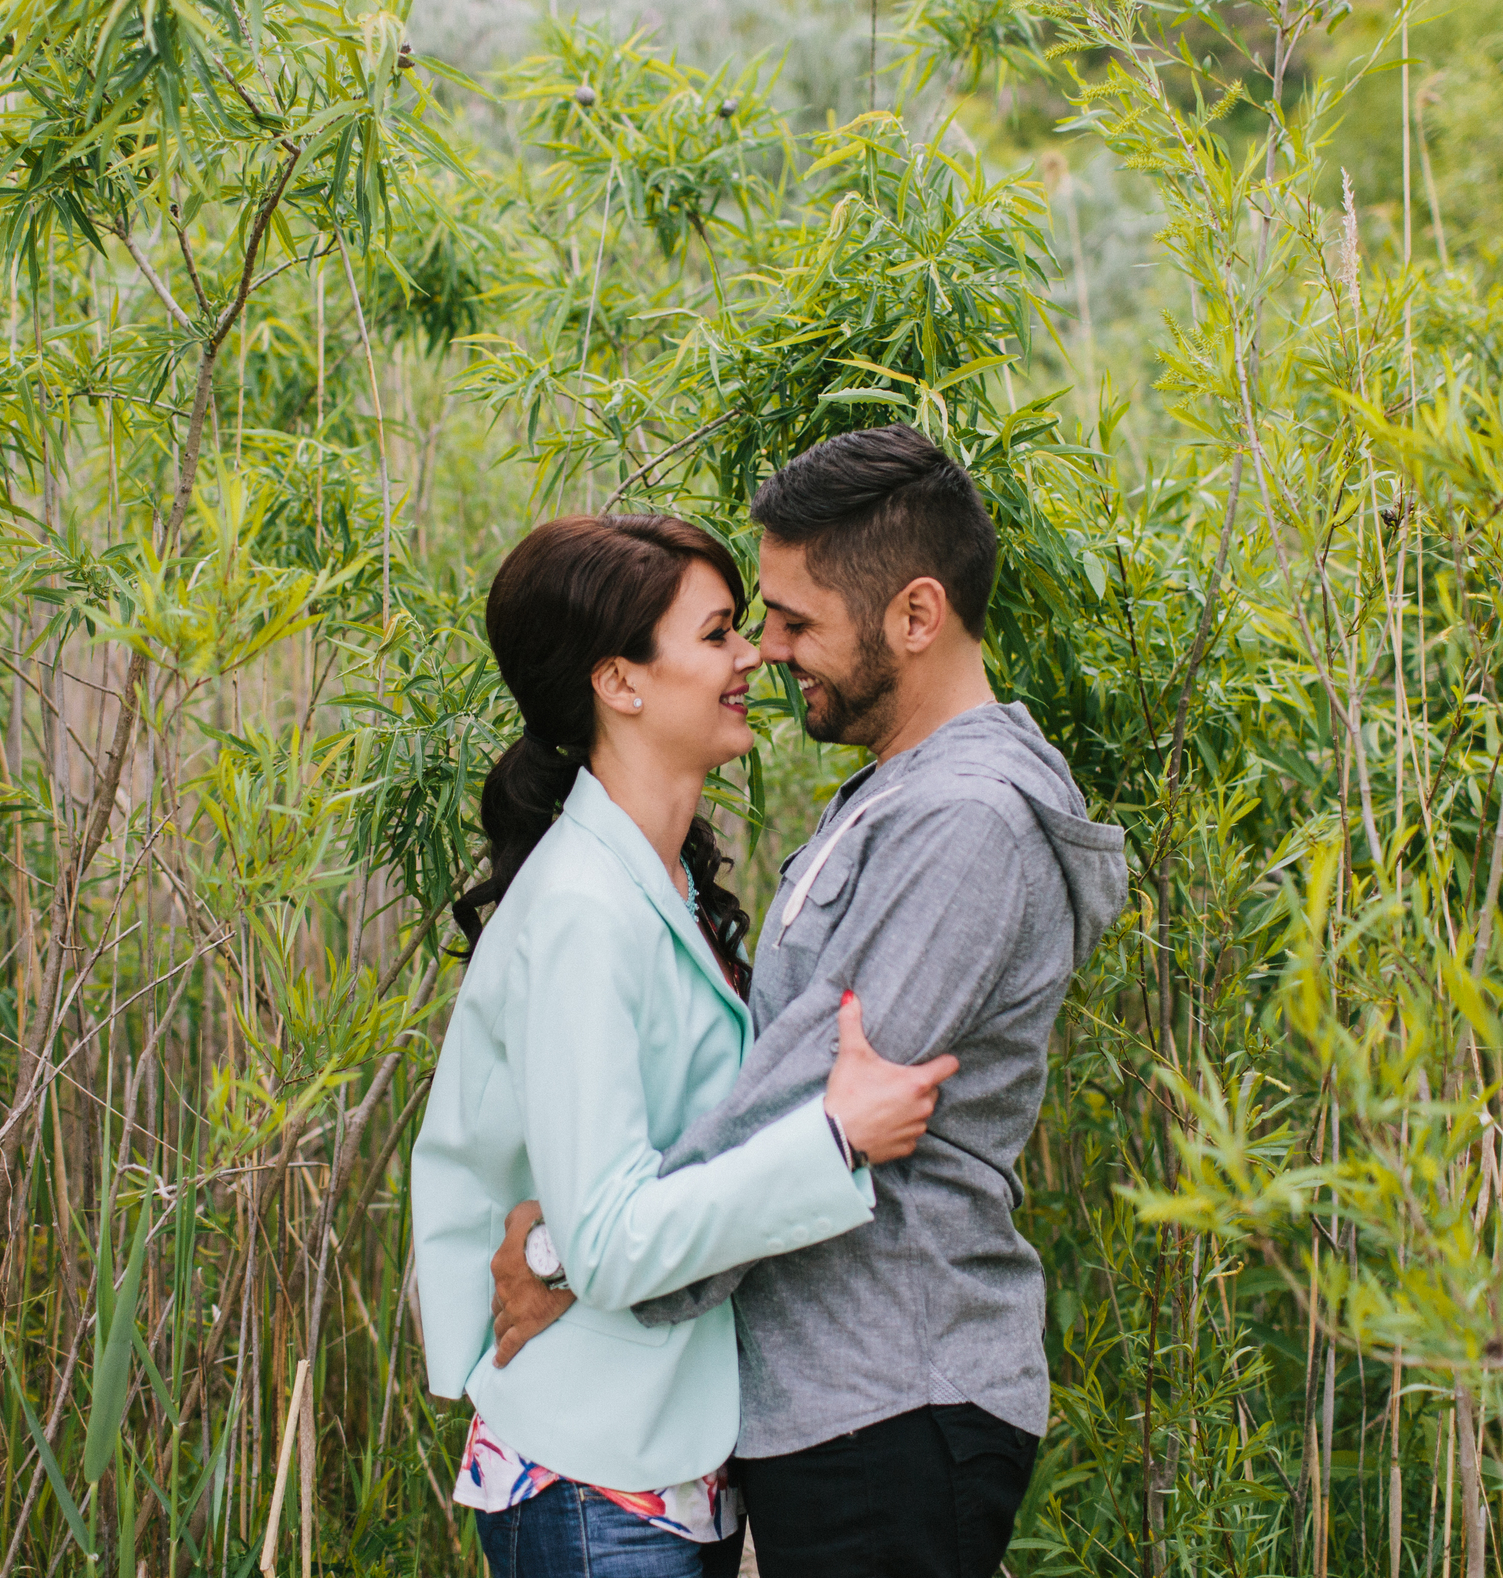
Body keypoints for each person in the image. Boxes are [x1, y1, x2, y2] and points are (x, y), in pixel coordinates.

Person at [488, 426, 1128, 1578]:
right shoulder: (898, 794)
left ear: (915, 615)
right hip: (834, 1399)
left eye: (793, 620)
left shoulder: (965, 822)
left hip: (892, 1393)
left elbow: (806, 1096)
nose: (771, 653)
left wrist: (593, 1256)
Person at [409, 512, 961, 1578]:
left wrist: (552, 1242)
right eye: (716, 634)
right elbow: (615, 1235)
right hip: (596, 1484)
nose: (752, 653)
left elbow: (617, 1189)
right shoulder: (581, 911)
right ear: (620, 681)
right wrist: (835, 1140)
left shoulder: (660, 887)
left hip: (669, 1476)